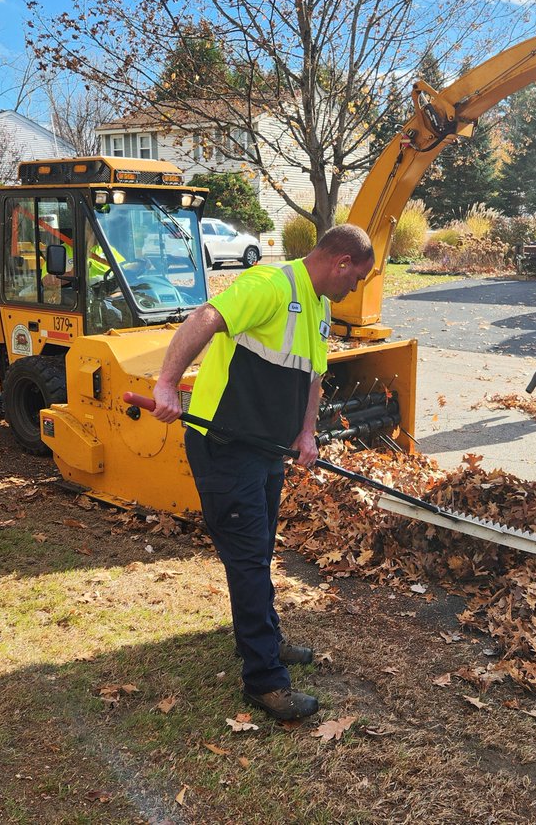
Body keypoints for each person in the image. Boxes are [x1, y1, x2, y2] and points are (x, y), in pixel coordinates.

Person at [151, 224, 375, 720]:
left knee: (259, 550)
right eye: (355, 278)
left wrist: (306, 433)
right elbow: (206, 316)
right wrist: (167, 384)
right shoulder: (269, 285)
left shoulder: (319, 304)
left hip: (266, 449)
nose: (354, 288)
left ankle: (263, 640)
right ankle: (265, 680)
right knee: (250, 558)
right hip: (224, 445)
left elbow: (313, 377)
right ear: (340, 262)